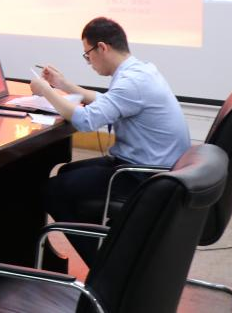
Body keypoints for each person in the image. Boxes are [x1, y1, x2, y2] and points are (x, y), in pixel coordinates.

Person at [30, 16, 190, 265]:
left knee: (53, 191)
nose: (89, 62)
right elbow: (106, 101)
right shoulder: (140, 70)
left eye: (88, 55)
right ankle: (108, 245)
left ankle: (105, 266)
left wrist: (46, 91)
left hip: (146, 176)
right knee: (67, 173)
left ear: (102, 47)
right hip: (155, 167)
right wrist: (63, 84)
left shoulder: (131, 82)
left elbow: (85, 121)